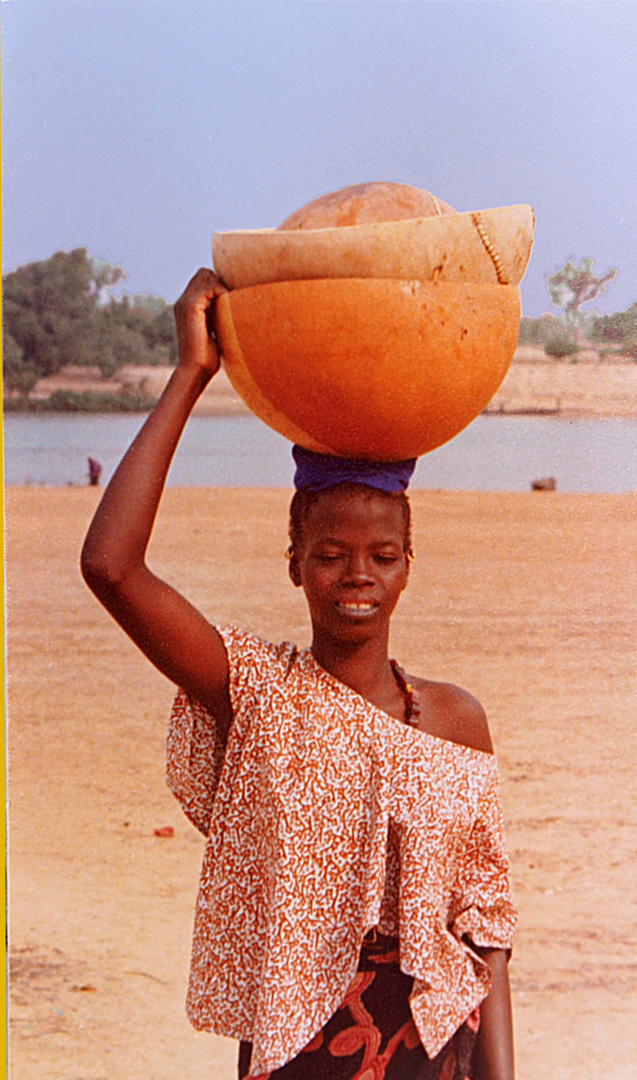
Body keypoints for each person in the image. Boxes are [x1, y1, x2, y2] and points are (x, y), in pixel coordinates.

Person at [81, 269, 517, 1080]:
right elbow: (110, 566)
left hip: (434, 1053)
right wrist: (190, 373)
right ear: (295, 566)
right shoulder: (257, 691)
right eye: (330, 555)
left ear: (407, 567)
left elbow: (485, 933)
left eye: (382, 556)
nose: (358, 575)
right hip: (297, 1049)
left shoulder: (457, 720)